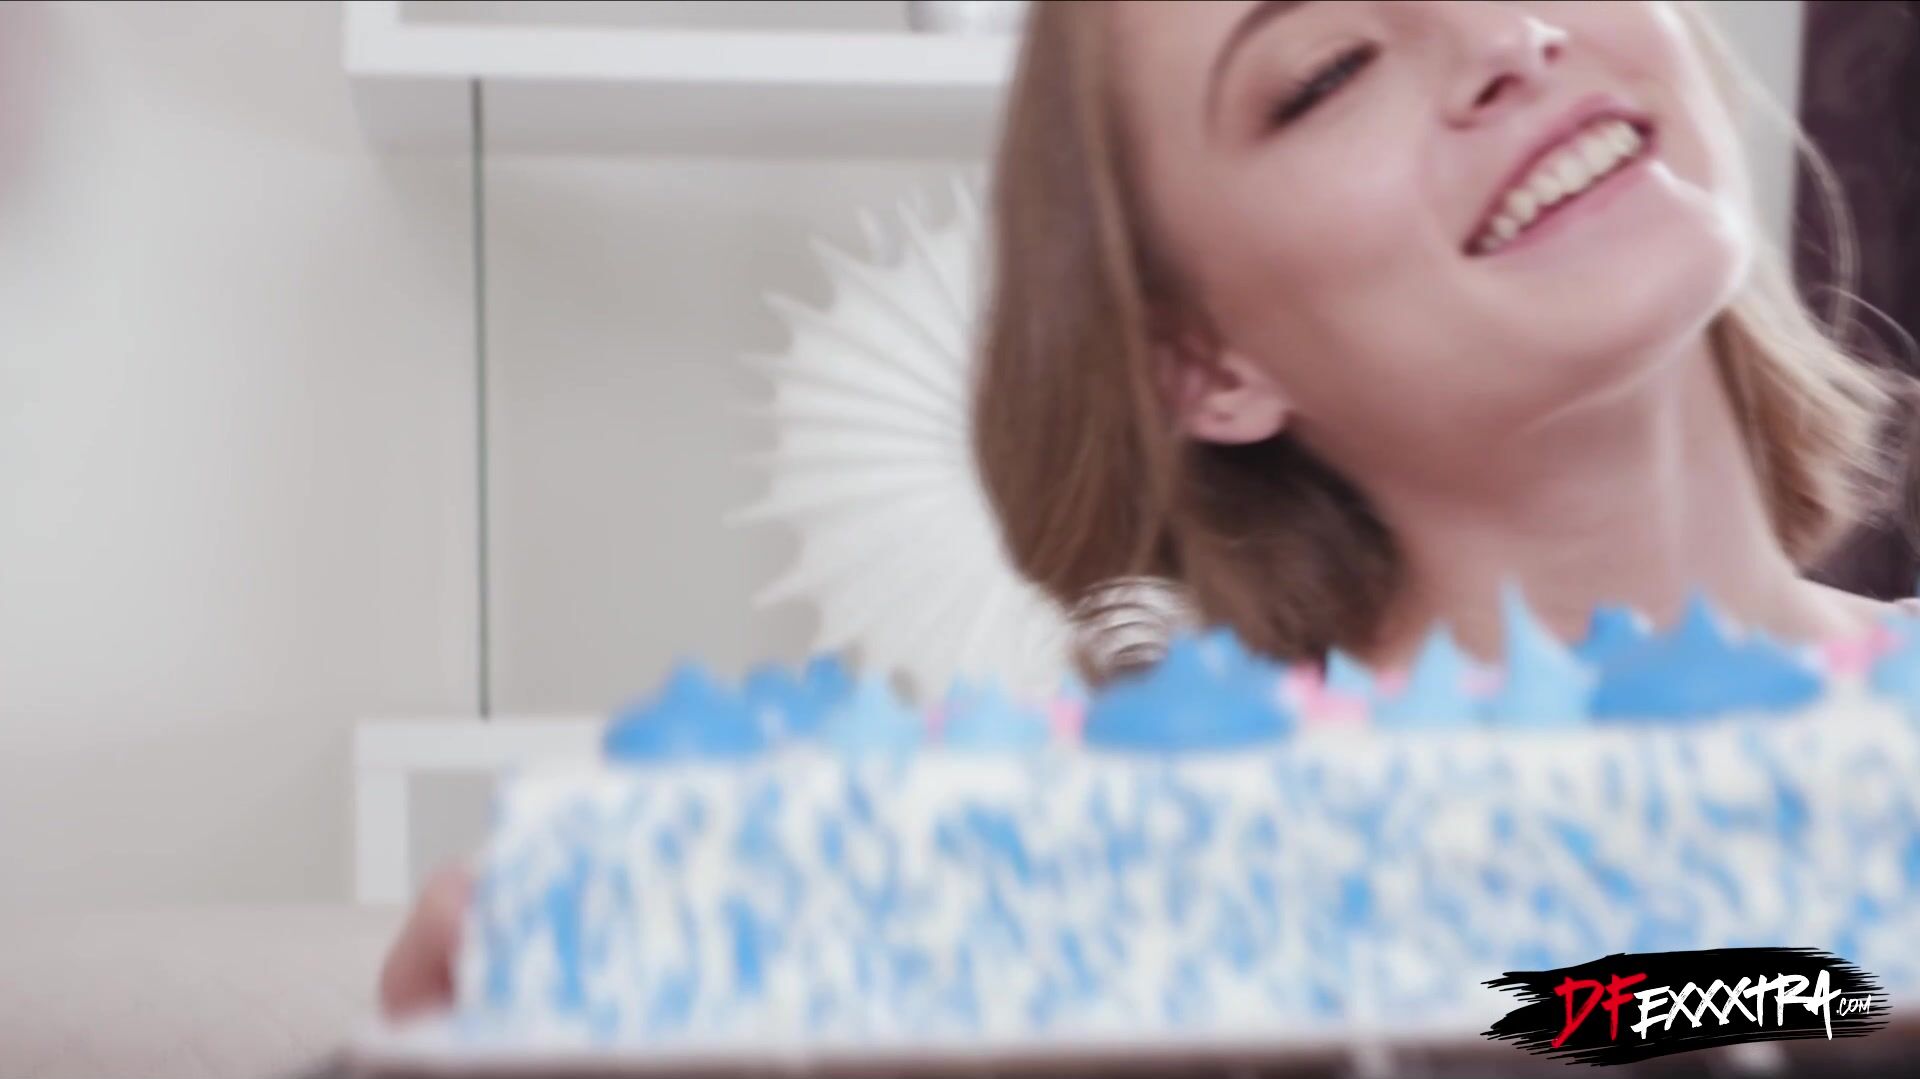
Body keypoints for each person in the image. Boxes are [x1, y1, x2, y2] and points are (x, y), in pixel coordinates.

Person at [378, 0, 1905, 1019]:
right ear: (1206, 363)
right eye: (1328, 70)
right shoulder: (1187, 878)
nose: (1507, 37)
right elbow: (1598, 1009)